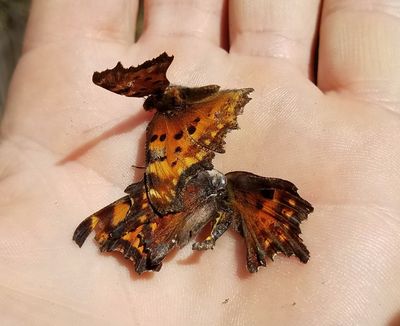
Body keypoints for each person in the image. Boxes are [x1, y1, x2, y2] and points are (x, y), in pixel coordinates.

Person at [1, 1, 399, 325]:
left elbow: (161, 187)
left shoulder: (169, 149)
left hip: (191, 170)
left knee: (178, 194)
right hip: (193, 171)